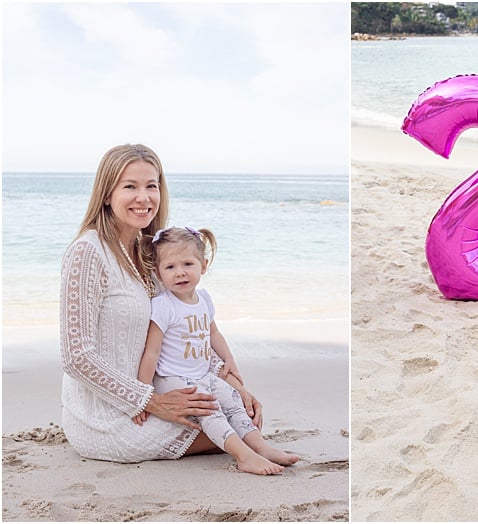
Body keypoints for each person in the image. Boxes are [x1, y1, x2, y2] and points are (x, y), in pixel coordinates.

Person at [60, 144, 263, 462]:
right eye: (130, 186)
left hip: (162, 389)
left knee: (244, 416)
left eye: (151, 186)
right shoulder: (88, 253)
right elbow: (77, 358)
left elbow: (180, 332)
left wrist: (231, 382)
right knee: (237, 432)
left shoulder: (152, 253)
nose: (144, 197)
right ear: (107, 194)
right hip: (106, 416)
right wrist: (148, 401)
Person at [132, 226, 299, 474]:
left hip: (201, 374)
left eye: (187, 264)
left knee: (233, 400)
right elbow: (152, 353)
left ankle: (260, 447)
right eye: (170, 267)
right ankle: (243, 456)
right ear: (158, 272)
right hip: (173, 378)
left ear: (204, 265)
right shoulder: (163, 306)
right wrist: (143, 396)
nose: (180, 273)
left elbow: (213, 334)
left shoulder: (204, 299)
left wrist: (229, 359)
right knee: (210, 409)